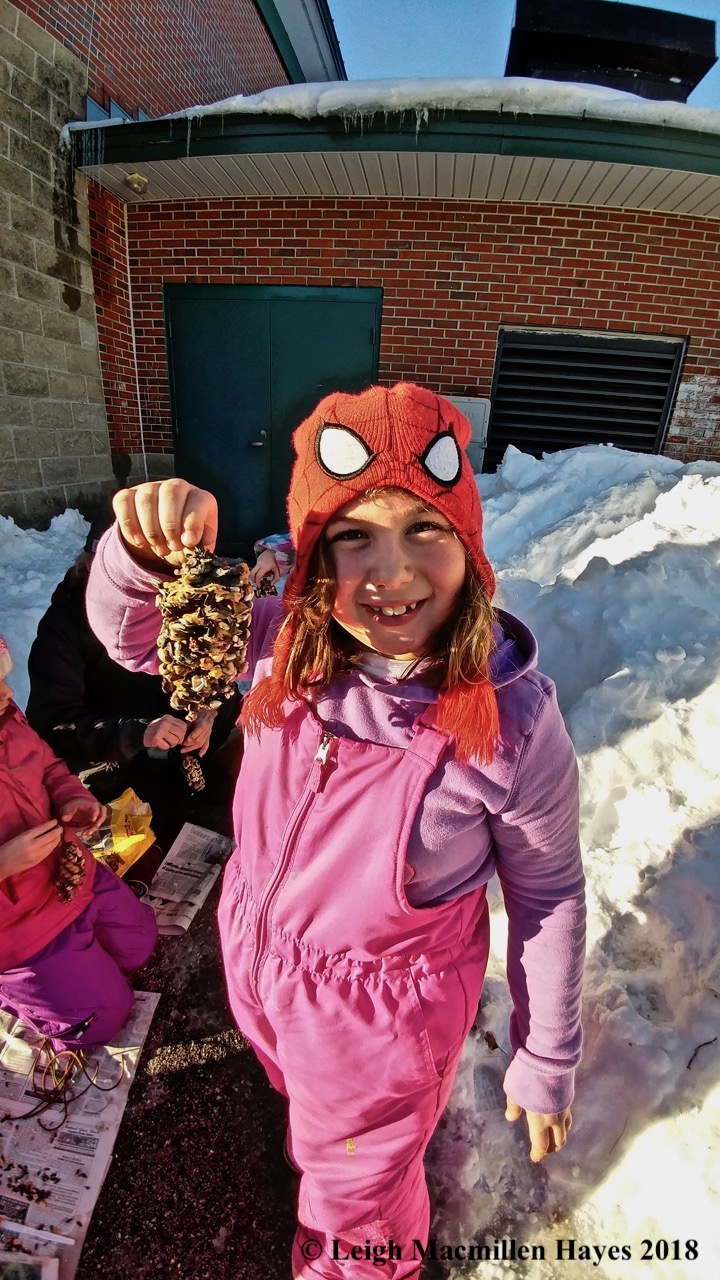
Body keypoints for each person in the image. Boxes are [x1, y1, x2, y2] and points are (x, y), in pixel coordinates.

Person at [86, 384, 585, 1280]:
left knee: (360, 1209)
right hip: (260, 968)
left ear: (470, 546)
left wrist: (546, 1052)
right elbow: (138, 640)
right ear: (314, 556)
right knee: (318, 1128)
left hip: (384, 1024)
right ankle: (326, 1155)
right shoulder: (282, 645)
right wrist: (143, 553)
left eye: (424, 528)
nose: (391, 572)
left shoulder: (510, 723)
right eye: (354, 535)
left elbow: (549, 894)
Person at [26, 518, 241, 846]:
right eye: (131, 579)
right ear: (97, 569)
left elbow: (217, 679)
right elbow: (53, 725)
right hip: (106, 766)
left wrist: (210, 712)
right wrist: (138, 733)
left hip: (178, 762)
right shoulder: (64, 627)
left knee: (225, 819)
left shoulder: (178, 607)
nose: (147, 594)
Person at [0, 633, 157, 1060]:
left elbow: (49, 767)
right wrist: (5, 864)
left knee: (141, 943)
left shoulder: (6, 718)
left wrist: (73, 798)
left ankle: (78, 972)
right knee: (102, 1019)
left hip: (72, 873)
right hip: (19, 927)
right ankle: (22, 994)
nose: (9, 694)